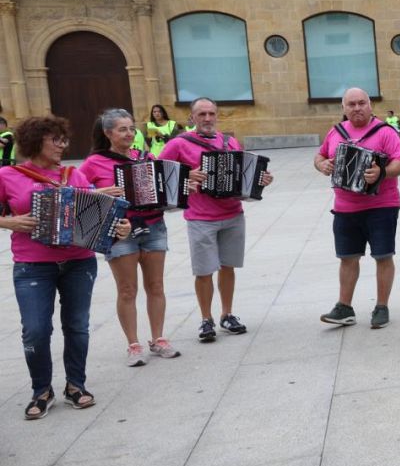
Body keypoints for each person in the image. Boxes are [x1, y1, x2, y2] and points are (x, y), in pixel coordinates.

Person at [1, 116, 130, 419]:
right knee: (35, 330)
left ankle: (76, 385)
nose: (62, 145)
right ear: (35, 141)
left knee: (77, 326)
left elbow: (98, 219)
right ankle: (41, 389)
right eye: (55, 140)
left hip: (78, 262)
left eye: (63, 140)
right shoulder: (8, 175)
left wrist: (119, 229)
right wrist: (9, 221)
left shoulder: (73, 176)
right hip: (32, 264)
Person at [160, 97, 275, 343]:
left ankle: (227, 314)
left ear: (217, 116)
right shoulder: (179, 144)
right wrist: (186, 175)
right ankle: (206, 319)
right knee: (203, 271)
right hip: (201, 217)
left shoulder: (229, 142)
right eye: (201, 114)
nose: (207, 119)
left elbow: (245, 172)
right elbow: (159, 174)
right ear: (192, 118)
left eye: (211, 114)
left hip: (232, 214)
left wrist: (260, 180)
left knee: (228, 266)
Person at [80, 109, 180, 366]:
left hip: (153, 226)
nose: (129, 133)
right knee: (127, 290)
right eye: (122, 129)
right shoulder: (94, 162)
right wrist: (101, 191)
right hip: (119, 231)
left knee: (156, 286)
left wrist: (180, 187)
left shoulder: (144, 157)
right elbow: (76, 195)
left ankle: (158, 339)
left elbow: (162, 184)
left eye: (131, 128)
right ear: (108, 133)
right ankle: (133, 345)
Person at [314, 87, 400, 329]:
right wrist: (322, 164)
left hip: (381, 205)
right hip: (345, 207)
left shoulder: (384, 131)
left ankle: (381, 307)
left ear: (370, 105)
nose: (357, 108)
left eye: (361, 103)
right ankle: (344, 307)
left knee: (383, 256)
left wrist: (381, 172)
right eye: (351, 104)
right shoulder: (336, 132)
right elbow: (320, 156)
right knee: (347, 258)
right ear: (343, 108)